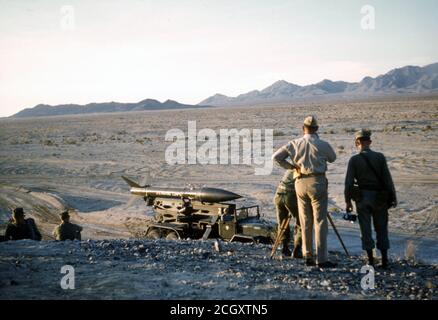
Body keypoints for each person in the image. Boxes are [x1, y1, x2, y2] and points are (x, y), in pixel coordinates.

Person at [273, 116, 337, 268]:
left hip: (300, 182)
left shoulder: (294, 143)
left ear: (303, 128)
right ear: (316, 129)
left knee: (305, 220)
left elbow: (276, 157)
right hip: (317, 182)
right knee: (320, 221)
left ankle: (307, 255)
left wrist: (292, 167)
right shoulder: (323, 144)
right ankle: (321, 259)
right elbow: (332, 158)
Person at [344, 129, 397, 269]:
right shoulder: (380, 157)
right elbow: (387, 179)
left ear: (357, 142)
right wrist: (392, 197)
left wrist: (348, 201)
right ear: (370, 141)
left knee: (365, 229)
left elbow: (348, 182)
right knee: (382, 228)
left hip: (362, 198)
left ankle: (370, 260)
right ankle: (385, 260)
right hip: (380, 198)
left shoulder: (354, 160)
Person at [272, 169, 302, 258]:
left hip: (278, 195)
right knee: (301, 222)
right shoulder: (303, 168)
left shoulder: (291, 168)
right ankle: (297, 249)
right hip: (290, 196)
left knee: (282, 224)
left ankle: (284, 247)